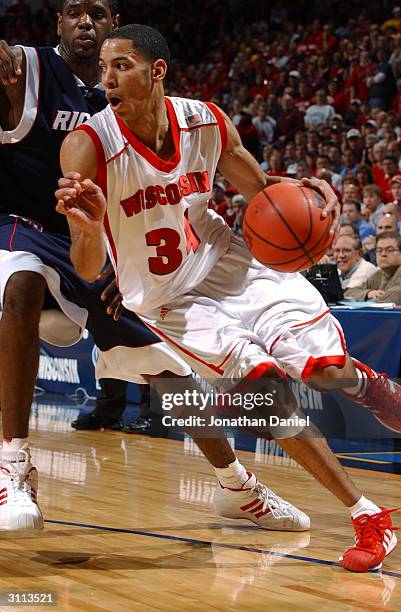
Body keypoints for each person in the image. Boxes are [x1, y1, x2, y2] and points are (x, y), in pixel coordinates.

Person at [56, 24, 401, 573]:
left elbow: (264, 193)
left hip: (228, 261)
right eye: (102, 68)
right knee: (261, 390)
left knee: (324, 371)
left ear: (156, 71)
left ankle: (366, 383)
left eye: (120, 65)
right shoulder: (87, 144)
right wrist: (92, 224)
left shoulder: (205, 121)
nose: (107, 78)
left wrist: (311, 199)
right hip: (169, 297)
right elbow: (87, 266)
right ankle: (367, 515)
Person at [0, 3, 309, 539]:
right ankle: (13, 465)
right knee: (21, 287)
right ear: (56, 24)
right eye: (74, 12)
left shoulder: (122, 92)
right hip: (21, 223)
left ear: (114, 25)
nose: (85, 23)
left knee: (164, 366)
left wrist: (132, 259)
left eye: (97, 13)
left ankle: (235, 483)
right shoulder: (22, 69)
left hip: (99, 241)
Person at [344, 231, 401, 303]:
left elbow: (387, 301)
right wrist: (367, 293)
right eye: (379, 250)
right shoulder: (379, 274)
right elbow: (349, 293)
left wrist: (361, 298)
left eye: (390, 250)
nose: (383, 254)